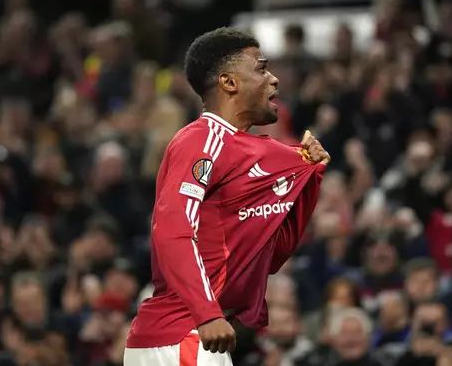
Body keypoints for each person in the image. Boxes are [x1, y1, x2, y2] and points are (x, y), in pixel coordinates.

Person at [124, 28, 330, 366]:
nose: (274, 79)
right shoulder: (201, 141)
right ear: (229, 82)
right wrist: (206, 314)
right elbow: (171, 230)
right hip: (182, 334)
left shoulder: (251, 152)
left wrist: (309, 180)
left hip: (204, 334)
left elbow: (270, 255)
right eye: (261, 69)